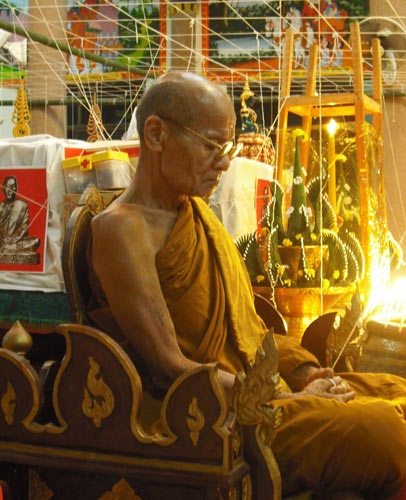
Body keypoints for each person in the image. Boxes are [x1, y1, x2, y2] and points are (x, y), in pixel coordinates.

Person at [88, 72, 406, 499]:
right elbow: (168, 367)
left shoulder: (197, 214)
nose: (224, 163)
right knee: (384, 429)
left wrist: (305, 373)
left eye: (229, 149)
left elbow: (248, 328)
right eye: (212, 147)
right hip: (211, 421)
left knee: (397, 393)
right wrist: (288, 400)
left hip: (260, 393)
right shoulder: (122, 229)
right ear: (156, 134)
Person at [0, 175, 40, 255]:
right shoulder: (0, 206)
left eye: (12, 187)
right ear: (3, 189)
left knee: (36, 241)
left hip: (16, 241)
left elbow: (23, 227)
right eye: (7, 187)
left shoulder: (22, 205)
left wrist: (13, 240)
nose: (10, 190)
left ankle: (10, 247)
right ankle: (8, 247)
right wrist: (4, 240)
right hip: (2, 241)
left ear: (16, 189)